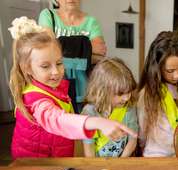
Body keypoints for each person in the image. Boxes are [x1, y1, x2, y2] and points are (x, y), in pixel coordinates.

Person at [8, 17, 136, 159]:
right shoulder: (36, 100)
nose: (56, 72)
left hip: (54, 159)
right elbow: (58, 120)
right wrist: (98, 122)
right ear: (27, 68)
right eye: (45, 66)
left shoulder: (55, 89)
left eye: (59, 63)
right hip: (36, 166)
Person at [137, 31, 178, 157]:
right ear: (156, 67)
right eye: (170, 70)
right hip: (155, 155)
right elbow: (142, 129)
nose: (177, 75)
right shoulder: (147, 93)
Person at [81, 58, 138, 157]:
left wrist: (121, 162)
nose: (126, 98)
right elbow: (89, 148)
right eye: (120, 94)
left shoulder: (129, 108)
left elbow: (132, 140)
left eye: (129, 92)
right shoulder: (90, 112)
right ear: (103, 91)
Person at [38, 0, 106, 59]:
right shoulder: (47, 15)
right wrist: (86, 50)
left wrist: (63, 48)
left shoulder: (91, 21)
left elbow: (100, 54)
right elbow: (48, 47)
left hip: (84, 74)